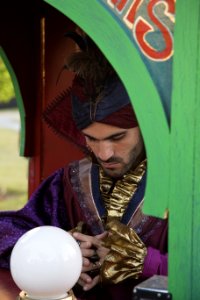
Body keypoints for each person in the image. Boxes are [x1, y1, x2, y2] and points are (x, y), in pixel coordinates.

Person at [0, 32, 168, 300]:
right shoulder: (70, 182)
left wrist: (149, 262)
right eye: (92, 138)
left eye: (118, 137)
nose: (104, 153)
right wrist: (56, 251)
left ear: (146, 127)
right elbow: (7, 230)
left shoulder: (185, 186)